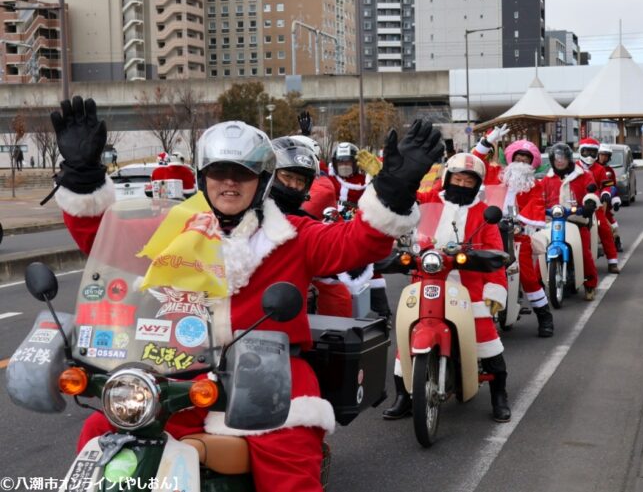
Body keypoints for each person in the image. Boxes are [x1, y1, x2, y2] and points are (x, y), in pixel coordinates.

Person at [50, 96, 442, 492]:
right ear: (204, 176)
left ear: (263, 179)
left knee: (290, 467)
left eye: (243, 172)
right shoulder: (170, 230)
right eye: (219, 172)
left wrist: (393, 188)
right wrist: (82, 176)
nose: (230, 182)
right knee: (103, 434)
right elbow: (102, 240)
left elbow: (357, 243)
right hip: (178, 378)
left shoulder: (291, 236)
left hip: (269, 381)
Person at [384, 153, 512, 422]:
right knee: (408, 333)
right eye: (457, 178)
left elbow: (496, 254)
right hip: (426, 280)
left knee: (487, 338)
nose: (462, 184)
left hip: (469, 288)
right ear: (446, 179)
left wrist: (495, 290)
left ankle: (499, 396)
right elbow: (405, 204)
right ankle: (403, 396)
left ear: (476, 185)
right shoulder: (429, 200)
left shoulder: (481, 212)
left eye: (468, 180)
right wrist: (389, 179)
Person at [271, 136, 353, 318]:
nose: (293, 185)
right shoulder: (241, 214)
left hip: (283, 321)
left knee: (335, 286)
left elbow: (348, 244)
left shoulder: (303, 223)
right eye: (287, 176)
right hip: (229, 324)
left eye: (300, 180)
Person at [328, 141, 392, 322]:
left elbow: (384, 191)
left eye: (348, 163)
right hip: (335, 231)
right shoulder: (329, 180)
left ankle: (380, 311)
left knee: (371, 269)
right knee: (333, 270)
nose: (345, 167)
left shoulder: (365, 180)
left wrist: (380, 174)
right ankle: (335, 311)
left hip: (361, 230)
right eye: (341, 164)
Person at [502, 140, 554, 337]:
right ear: (511, 158)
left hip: (517, 234)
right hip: (491, 233)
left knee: (527, 276)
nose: (521, 161)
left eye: (526, 159)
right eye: (518, 157)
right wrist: (485, 143)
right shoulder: (499, 179)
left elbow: (536, 205)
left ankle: (544, 316)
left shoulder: (535, 185)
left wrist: (520, 222)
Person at [540, 143, 600, 301]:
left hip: (576, 219)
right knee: (537, 250)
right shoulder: (547, 179)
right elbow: (538, 197)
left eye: (563, 158)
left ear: (569, 159)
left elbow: (592, 192)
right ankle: (536, 286)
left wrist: (589, 203)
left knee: (584, 253)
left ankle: (590, 284)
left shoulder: (584, 175)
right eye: (556, 158)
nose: (559, 161)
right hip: (552, 221)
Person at [576, 138, 620, 274]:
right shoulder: (573, 167)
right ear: (580, 151)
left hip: (595, 206)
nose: (589, 156)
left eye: (592, 152)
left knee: (604, 229)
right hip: (576, 206)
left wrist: (606, 194)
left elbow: (607, 185)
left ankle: (612, 261)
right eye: (586, 152)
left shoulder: (600, 169)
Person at [597, 144, 623, 252]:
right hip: (591, 202)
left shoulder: (609, 171)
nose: (604, 157)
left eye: (606, 156)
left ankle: (616, 241)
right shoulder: (590, 169)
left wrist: (615, 201)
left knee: (613, 226)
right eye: (602, 155)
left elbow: (613, 187)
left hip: (605, 204)